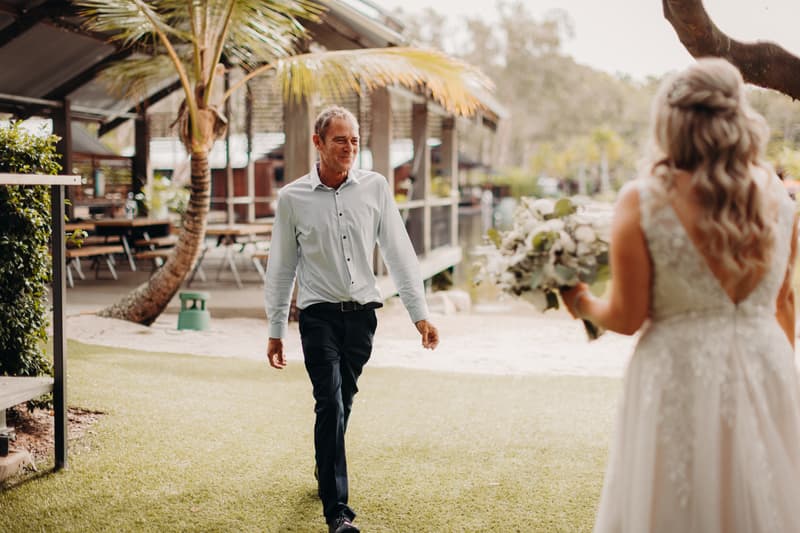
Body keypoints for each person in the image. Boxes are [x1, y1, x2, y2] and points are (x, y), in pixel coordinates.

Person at [561, 58, 800, 532]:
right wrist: (775, 374)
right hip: (768, 364)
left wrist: (580, 302)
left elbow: (628, 317)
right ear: (738, 118)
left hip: (677, 373)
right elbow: (785, 304)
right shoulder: (781, 199)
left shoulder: (644, 197)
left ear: (669, 122)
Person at [264, 105, 439, 533]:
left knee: (343, 405)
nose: (349, 147)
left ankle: (326, 468)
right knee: (330, 400)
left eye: (355, 140)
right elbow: (282, 268)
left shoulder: (376, 188)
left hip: (363, 315)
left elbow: (399, 252)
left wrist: (421, 315)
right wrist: (274, 330)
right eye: (340, 139)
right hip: (318, 314)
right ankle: (337, 513)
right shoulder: (292, 199)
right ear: (318, 143)